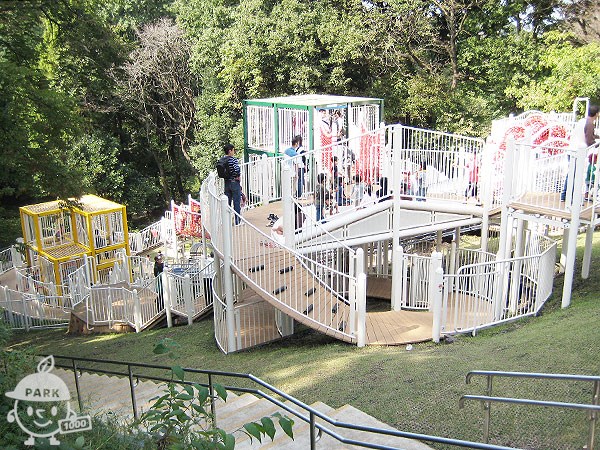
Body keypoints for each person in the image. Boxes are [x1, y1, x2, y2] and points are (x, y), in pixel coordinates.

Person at [561, 105, 599, 202]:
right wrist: (597, 144)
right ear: (597, 114)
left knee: (571, 173)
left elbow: (586, 134)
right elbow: (589, 140)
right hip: (578, 152)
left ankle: (565, 195)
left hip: (572, 150)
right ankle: (572, 197)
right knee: (576, 175)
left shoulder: (582, 121)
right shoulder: (590, 124)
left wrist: (597, 137)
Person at [222, 143, 242, 224]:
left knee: (227, 202)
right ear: (230, 151)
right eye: (233, 150)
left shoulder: (222, 159)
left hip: (226, 183)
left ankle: (226, 221)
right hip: (234, 182)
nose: (234, 152)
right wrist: (237, 176)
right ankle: (237, 221)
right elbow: (237, 169)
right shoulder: (233, 160)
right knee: (236, 202)